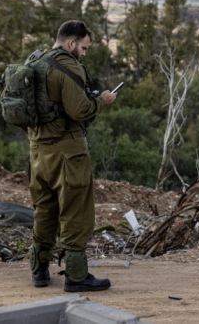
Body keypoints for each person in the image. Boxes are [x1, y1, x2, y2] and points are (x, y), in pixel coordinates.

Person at [28, 20, 118, 292]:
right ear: (71, 43)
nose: (85, 53)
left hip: (36, 151)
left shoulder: (35, 60)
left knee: (44, 209)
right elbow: (80, 110)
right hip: (67, 152)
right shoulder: (67, 65)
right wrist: (103, 100)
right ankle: (76, 276)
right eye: (84, 47)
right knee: (76, 211)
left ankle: (39, 270)